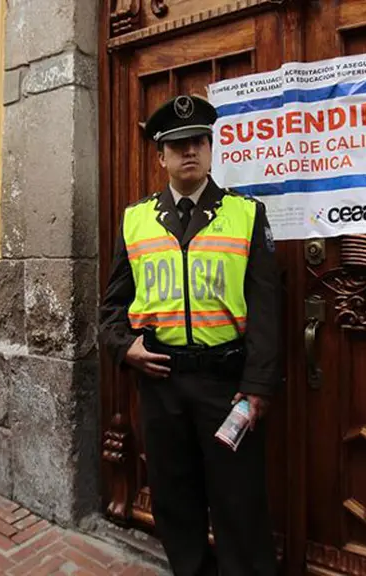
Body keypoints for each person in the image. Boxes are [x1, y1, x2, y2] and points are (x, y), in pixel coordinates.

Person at [99, 94, 281, 576]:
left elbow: (265, 307)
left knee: (238, 501)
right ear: (161, 156)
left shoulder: (246, 214)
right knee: (174, 499)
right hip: (159, 383)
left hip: (227, 385)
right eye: (177, 145)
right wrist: (124, 348)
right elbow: (112, 306)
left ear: (211, 148)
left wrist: (259, 385)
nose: (189, 152)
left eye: (198, 141)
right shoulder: (135, 219)